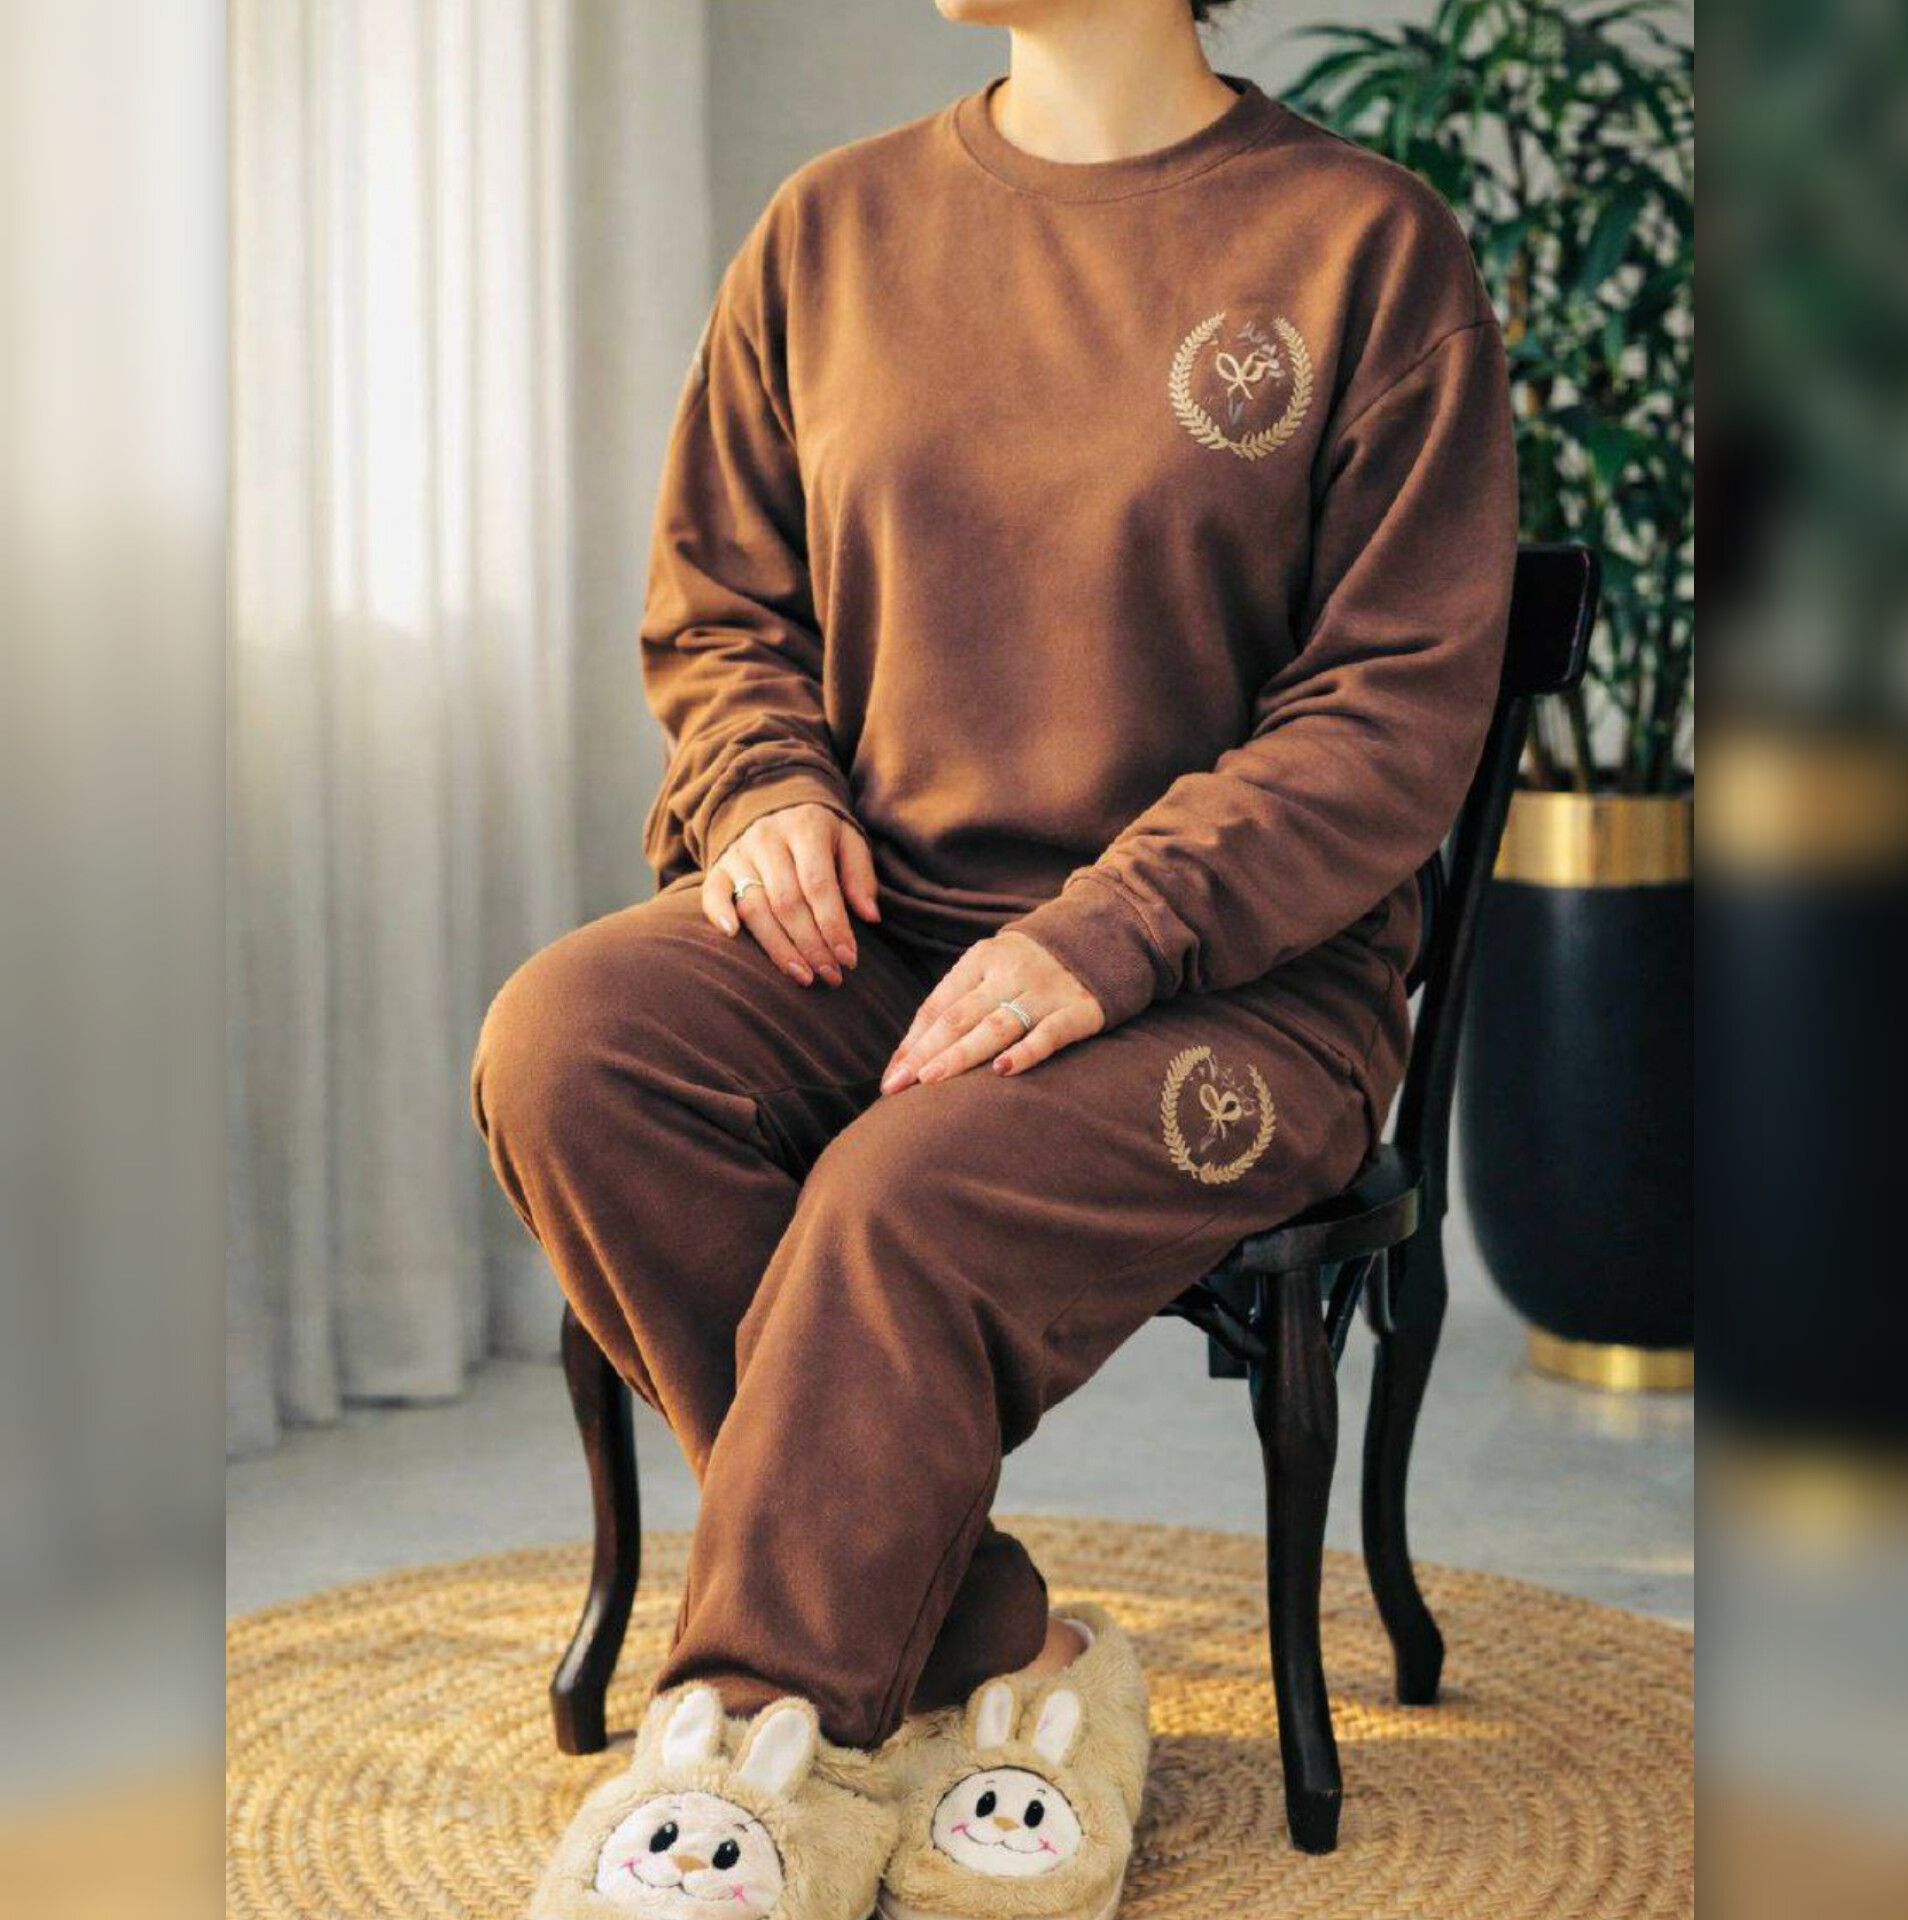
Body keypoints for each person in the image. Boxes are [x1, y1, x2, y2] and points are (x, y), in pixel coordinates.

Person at [475, 1, 1517, 1914]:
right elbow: (722, 604)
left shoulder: (1367, 250)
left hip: (1239, 991)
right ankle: (998, 1641)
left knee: (905, 1193)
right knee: (570, 1045)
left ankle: (756, 1740)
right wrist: (761, 790)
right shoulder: (830, 229)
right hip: (885, 930)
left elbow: (1390, 707)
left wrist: (1113, 931)